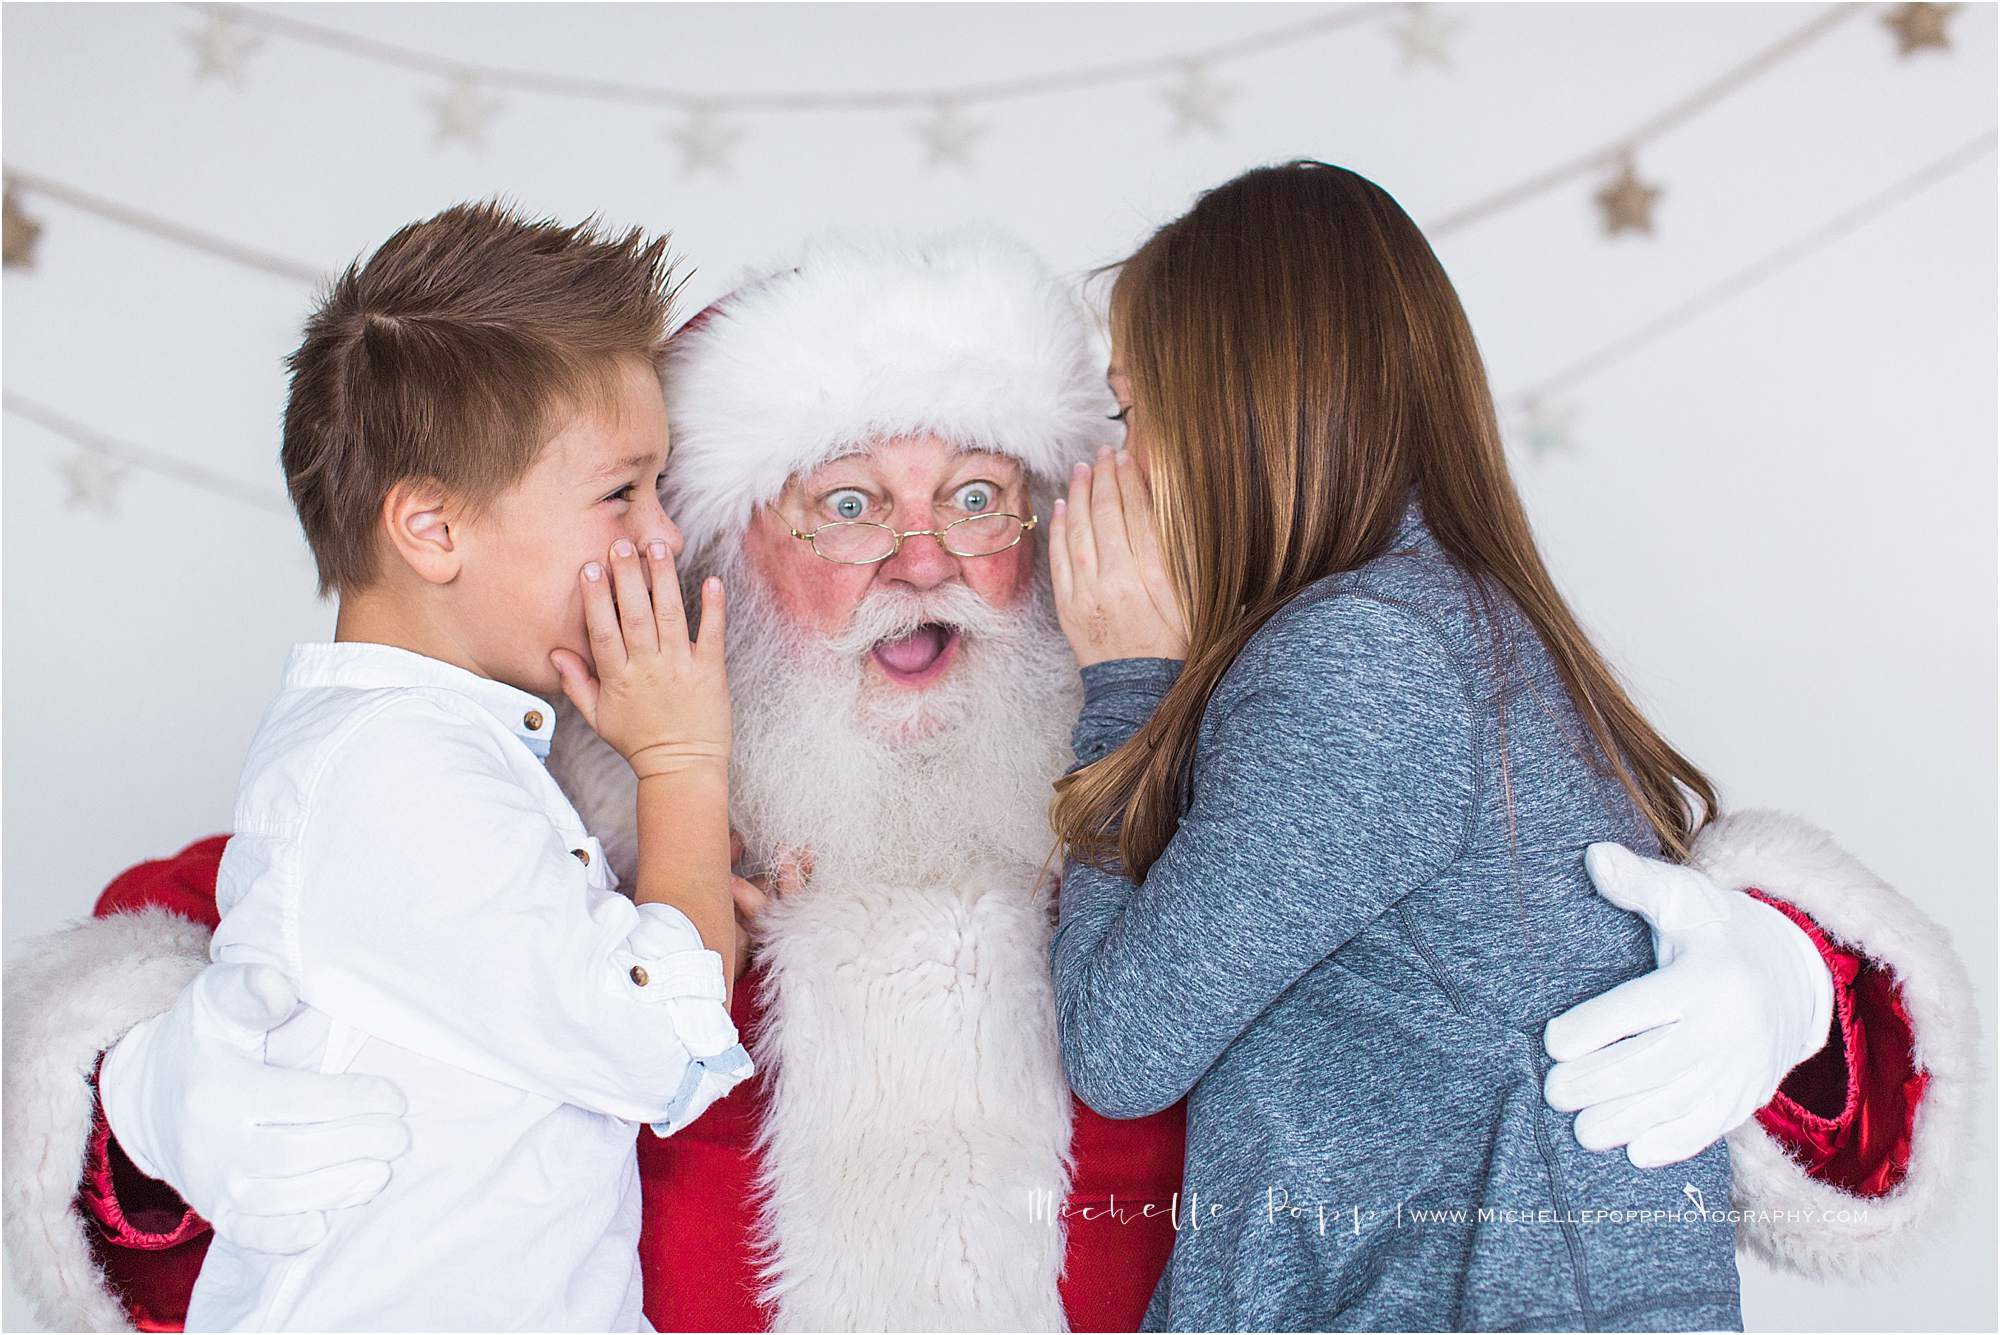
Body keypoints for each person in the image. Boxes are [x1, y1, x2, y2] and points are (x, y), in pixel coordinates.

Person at [1, 228, 1976, 1334]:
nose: (922, 560)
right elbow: (181, 969)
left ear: (1079, 527)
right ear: (708, 558)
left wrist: (1789, 988)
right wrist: (156, 1096)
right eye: (841, 500)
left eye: (983, 498)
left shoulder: (1217, 775)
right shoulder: (574, 825)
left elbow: (1577, 932)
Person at [1046, 160, 1748, 1329]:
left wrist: (1124, 685)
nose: (1117, 471)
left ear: (1235, 407)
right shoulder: (1455, 623)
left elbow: (1120, 1046)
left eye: (1133, 413)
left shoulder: (1367, 658)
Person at [159, 202, 753, 1329]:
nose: (664, 537)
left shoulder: (425, 750)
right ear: (431, 530)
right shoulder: (396, 771)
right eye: (620, 491)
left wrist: (682, 907)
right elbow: (654, 1044)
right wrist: (680, 760)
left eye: (660, 490)